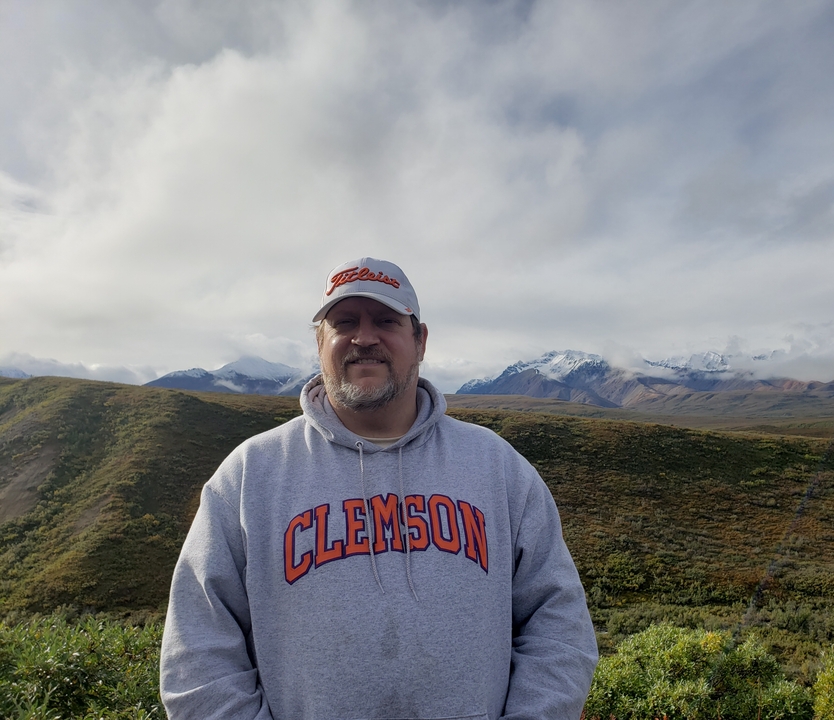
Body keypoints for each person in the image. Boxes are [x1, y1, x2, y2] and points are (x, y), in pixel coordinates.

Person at [159, 257, 598, 719]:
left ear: (420, 340)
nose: (364, 338)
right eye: (345, 322)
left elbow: (559, 625)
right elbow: (198, 654)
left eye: (386, 321)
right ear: (320, 342)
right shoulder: (250, 475)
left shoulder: (499, 468)